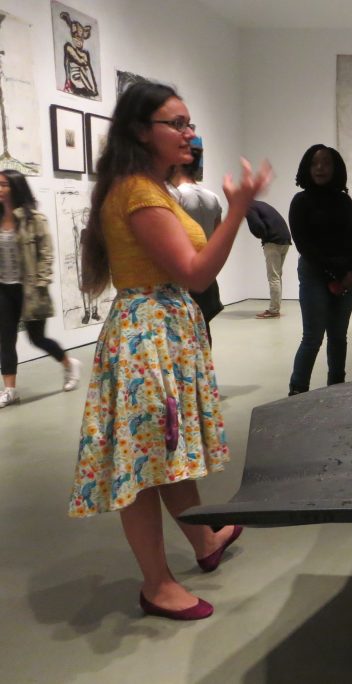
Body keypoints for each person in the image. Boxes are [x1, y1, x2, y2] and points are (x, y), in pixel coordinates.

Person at [68, 81, 271, 620]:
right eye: (176, 123)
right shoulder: (137, 192)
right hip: (146, 340)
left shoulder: (147, 186)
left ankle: (206, 542)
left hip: (162, 332)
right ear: (141, 130)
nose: (189, 132)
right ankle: (156, 585)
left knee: (165, 450)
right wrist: (238, 210)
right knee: (142, 464)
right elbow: (196, 272)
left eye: (189, 122)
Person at [0, 170, 80, 407]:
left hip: (30, 288)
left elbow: (45, 254)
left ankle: (69, 363)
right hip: (4, 288)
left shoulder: (34, 219)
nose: (0, 189)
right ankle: (10, 390)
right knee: (5, 339)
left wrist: (41, 283)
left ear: (16, 187)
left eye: (4, 184)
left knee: (37, 338)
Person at [288, 144, 352, 393]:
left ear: (335, 167)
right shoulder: (300, 201)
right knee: (313, 337)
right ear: (307, 168)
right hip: (315, 274)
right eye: (315, 163)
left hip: (346, 275)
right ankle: (297, 391)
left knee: (339, 336)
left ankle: (336, 389)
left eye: (326, 163)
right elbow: (304, 245)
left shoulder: (344, 201)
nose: (320, 168)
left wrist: (351, 272)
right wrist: (336, 273)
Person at [170, 144, 223, 341]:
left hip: (184, 274)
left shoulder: (176, 196)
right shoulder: (213, 198)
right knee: (203, 329)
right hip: (206, 273)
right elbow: (218, 238)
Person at [246, 200, 292, 319]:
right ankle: (276, 308)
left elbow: (258, 227)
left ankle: (274, 311)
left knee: (273, 277)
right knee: (277, 275)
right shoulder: (259, 204)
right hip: (285, 239)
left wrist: (263, 236)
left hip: (273, 241)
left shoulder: (247, 207)